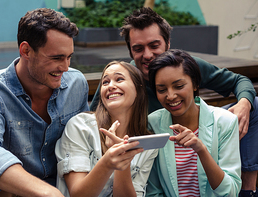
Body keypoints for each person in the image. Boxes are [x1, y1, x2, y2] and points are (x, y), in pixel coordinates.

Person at [89, 7, 258, 196]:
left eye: (154, 45)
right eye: (138, 48)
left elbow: (239, 81)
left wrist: (244, 102)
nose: (147, 55)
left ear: (167, 43)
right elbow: (95, 113)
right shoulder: (124, 78)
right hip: (150, 142)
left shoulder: (185, 65)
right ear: (130, 51)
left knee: (255, 104)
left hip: (195, 124)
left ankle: (248, 189)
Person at [0, 8, 89, 197]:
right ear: (26, 51)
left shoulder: (76, 83)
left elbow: (84, 138)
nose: (65, 67)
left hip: (61, 182)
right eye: (56, 58)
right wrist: (48, 193)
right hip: (13, 189)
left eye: (69, 57)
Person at [146, 49, 241, 196]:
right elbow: (153, 191)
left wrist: (201, 150)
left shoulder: (225, 121)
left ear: (195, 84)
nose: (170, 96)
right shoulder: (153, 124)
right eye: (162, 89)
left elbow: (230, 192)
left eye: (179, 86)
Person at [55, 61, 158, 197]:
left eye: (119, 79)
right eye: (105, 82)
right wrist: (109, 161)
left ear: (138, 89)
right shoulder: (80, 126)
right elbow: (78, 194)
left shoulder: (147, 144)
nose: (110, 86)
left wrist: (123, 160)